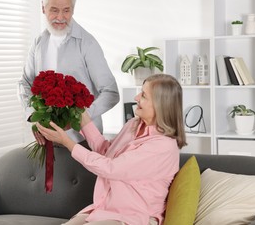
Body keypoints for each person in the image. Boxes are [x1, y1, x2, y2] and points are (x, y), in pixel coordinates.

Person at [36, 74, 187, 225]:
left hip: (133, 218)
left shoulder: (163, 147)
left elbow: (111, 168)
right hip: (104, 210)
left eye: (144, 95)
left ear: (159, 105)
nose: (136, 97)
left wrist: (67, 142)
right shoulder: (134, 124)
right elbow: (106, 152)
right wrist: (82, 117)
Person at [18, 0, 119, 143]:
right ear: (43, 8)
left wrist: (78, 118)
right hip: (48, 141)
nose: (60, 17)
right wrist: (33, 115)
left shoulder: (87, 43)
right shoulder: (38, 42)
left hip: (84, 141)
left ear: (73, 9)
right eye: (54, 10)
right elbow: (25, 82)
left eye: (66, 10)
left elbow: (111, 93)